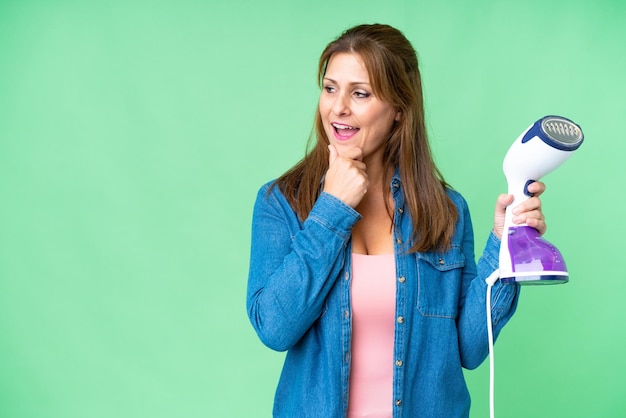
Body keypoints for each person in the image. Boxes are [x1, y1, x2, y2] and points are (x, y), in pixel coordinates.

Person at [246, 23, 546, 418]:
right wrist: (332, 209)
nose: (338, 107)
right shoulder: (282, 202)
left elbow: (470, 349)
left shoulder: (445, 211)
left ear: (399, 112)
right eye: (330, 87)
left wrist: (504, 245)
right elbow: (274, 327)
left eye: (360, 93)